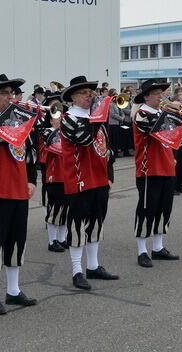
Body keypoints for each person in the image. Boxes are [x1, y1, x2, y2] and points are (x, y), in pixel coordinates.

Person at [0, 74, 39, 314]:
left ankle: (13, 290)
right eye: (5, 93)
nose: (10, 97)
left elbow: (30, 151)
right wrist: (19, 117)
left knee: (17, 240)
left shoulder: (18, 121)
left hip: (18, 189)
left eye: (12, 93)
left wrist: (31, 180)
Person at [59, 76, 118, 291]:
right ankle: (77, 270)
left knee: (97, 221)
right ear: (73, 97)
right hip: (79, 178)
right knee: (77, 224)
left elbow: (106, 150)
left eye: (90, 92)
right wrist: (98, 118)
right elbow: (84, 139)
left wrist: (109, 175)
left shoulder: (96, 118)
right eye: (84, 93)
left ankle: (93, 265)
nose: (89, 96)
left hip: (99, 178)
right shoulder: (69, 118)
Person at [131, 79, 179, 267]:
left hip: (166, 166)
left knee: (164, 208)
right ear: (147, 96)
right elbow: (156, 129)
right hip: (148, 168)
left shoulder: (162, 113)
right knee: (146, 209)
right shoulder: (142, 114)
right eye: (158, 94)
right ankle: (142, 250)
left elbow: (172, 137)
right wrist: (174, 112)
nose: (162, 97)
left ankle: (158, 247)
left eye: (161, 93)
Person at [39, 91, 69, 253]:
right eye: (58, 117)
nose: (61, 118)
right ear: (51, 120)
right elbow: (49, 150)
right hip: (54, 175)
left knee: (66, 209)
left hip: (66, 175)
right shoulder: (46, 132)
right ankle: (52, 241)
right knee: (54, 210)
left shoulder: (65, 132)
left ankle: (62, 238)